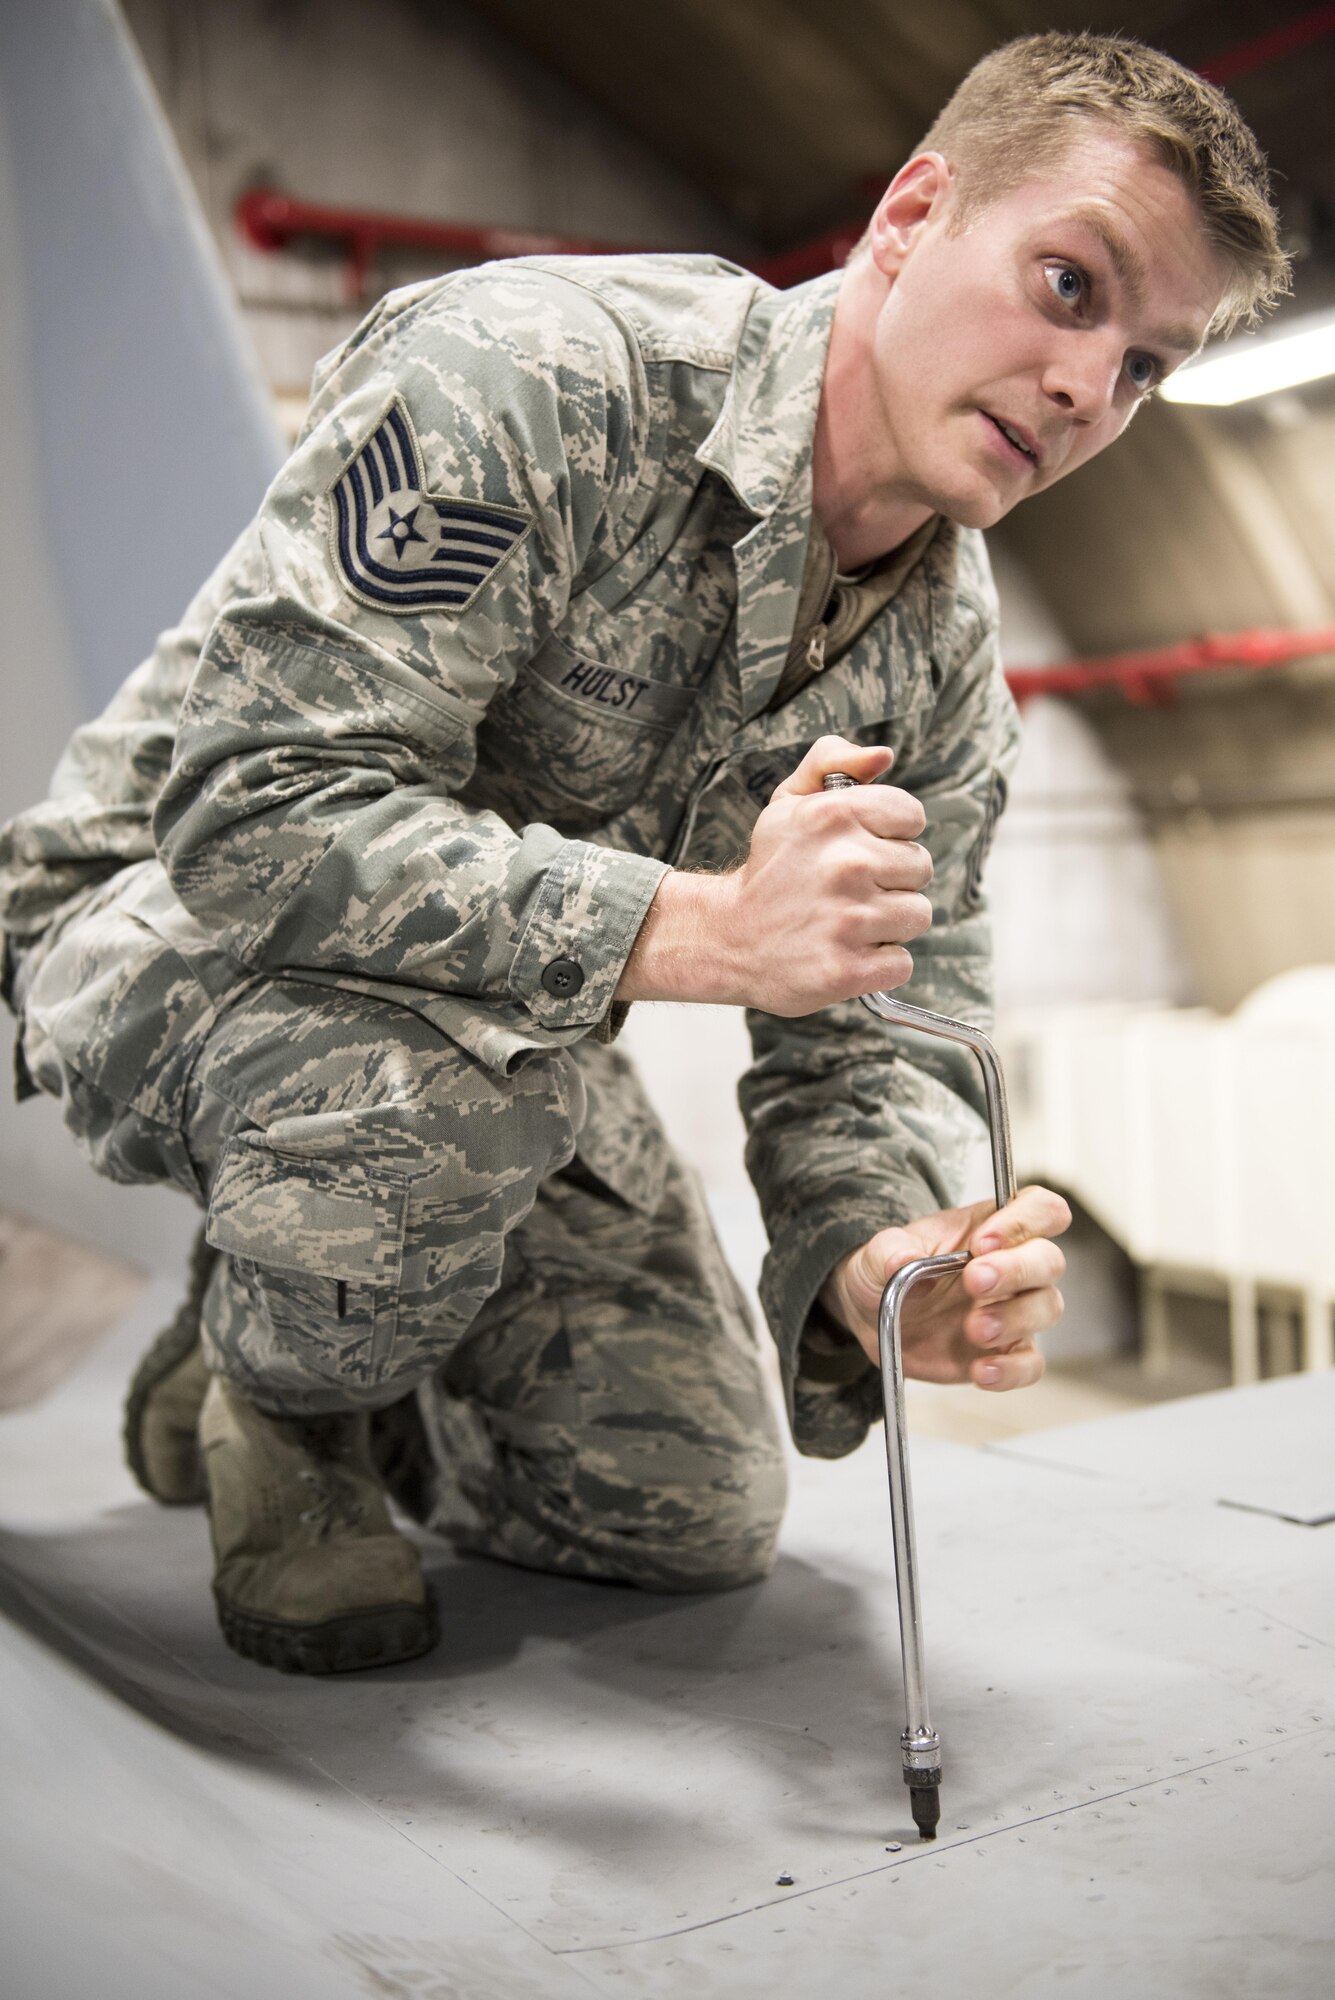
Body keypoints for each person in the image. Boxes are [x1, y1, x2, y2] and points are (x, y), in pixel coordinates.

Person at [0, 33, 1286, 1673]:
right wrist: (699, 930)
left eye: (1148, 366)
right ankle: (290, 1408)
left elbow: (876, 1036)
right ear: (910, 217)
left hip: (498, 1038)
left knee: (680, 1504)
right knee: (427, 1123)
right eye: (1068, 286)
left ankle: (293, 1311)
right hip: (171, 918)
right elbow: (258, 806)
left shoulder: (944, 657)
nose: (1088, 388)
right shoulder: (539, 376)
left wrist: (877, 1256)